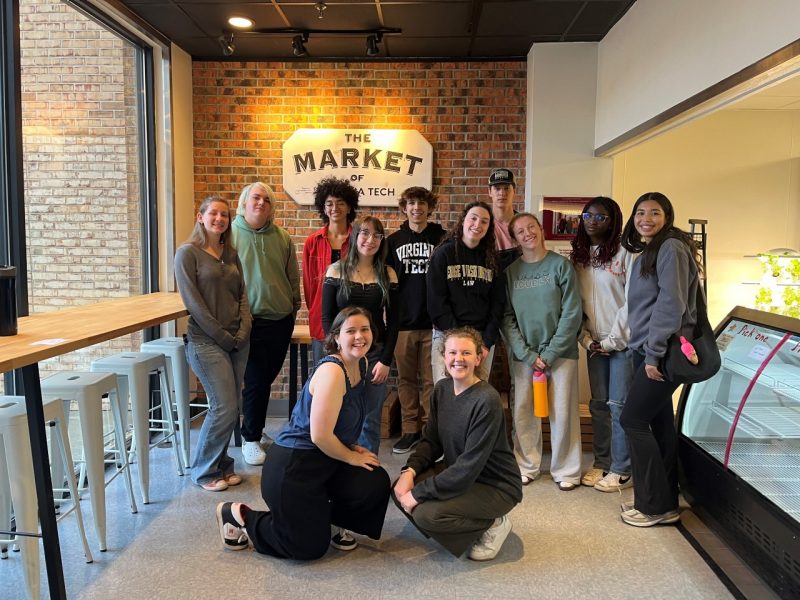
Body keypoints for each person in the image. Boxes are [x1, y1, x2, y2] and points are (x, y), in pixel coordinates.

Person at [215, 306, 391, 557]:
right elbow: (319, 435)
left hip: (324, 462)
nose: (359, 336)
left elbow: (336, 422)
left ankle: (332, 522)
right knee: (307, 547)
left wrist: (350, 448)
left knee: (373, 478)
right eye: (350, 331)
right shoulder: (332, 371)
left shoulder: (360, 363)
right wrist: (351, 456)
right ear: (337, 338)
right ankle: (241, 517)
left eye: (365, 329)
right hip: (294, 467)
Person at [393, 327, 522, 561]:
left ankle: (493, 523)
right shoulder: (441, 390)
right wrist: (409, 470)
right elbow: (431, 441)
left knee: (426, 515)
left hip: (495, 484)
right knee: (399, 489)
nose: (458, 359)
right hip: (459, 472)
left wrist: (420, 493)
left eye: (466, 353)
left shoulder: (487, 400)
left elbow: (467, 468)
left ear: (478, 357)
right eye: (452, 352)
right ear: (443, 356)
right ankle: (466, 523)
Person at [618, 192, 702, 527]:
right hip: (646, 350)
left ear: (667, 216)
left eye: (655, 212)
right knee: (659, 424)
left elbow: (672, 303)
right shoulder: (649, 251)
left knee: (632, 421)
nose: (646, 219)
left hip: (662, 354)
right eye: (640, 212)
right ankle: (665, 504)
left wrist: (653, 353)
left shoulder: (671, 248)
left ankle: (652, 506)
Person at [174, 195, 252, 491]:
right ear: (201, 216)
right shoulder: (188, 253)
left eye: (225, 215)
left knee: (233, 407)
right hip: (206, 341)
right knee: (223, 405)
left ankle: (222, 466)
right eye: (214, 214)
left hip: (238, 340)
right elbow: (194, 303)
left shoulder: (229, 253)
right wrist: (222, 336)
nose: (220, 219)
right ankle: (204, 471)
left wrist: (244, 330)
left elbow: (243, 296)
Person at [502, 212, 583, 490]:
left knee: (563, 411)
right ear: (515, 239)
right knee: (524, 411)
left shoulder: (561, 266)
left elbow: (572, 313)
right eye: (520, 231)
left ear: (540, 229)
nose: (527, 233)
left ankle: (567, 470)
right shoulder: (511, 273)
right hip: (525, 356)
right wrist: (527, 354)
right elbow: (507, 317)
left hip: (561, 355)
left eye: (531, 227)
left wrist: (549, 354)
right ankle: (526, 464)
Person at [230, 182, 301, 466]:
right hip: (250, 322)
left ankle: (255, 432)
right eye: (255, 198)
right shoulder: (231, 235)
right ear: (244, 202)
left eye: (266, 200)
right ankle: (249, 439)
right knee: (257, 380)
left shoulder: (282, 237)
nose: (261, 203)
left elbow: (292, 278)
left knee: (265, 379)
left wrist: (293, 308)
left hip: (280, 320)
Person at [570, 197, 636, 492]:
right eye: (588, 215)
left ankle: (622, 468)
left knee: (618, 405)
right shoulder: (580, 256)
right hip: (594, 343)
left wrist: (613, 341)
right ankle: (602, 462)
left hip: (621, 342)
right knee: (598, 405)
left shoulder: (626, 253)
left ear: (614, 220)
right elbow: (578, 303)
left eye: (601, 216)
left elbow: (631, 302)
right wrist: (586, 339)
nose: (593, 221)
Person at [322, 216, 399, 454]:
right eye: (365, 233)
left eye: (377, 235)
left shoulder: (388, 274)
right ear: (355, 237)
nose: (370, 240)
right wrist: (336, 356)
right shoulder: (336, 270)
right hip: (343, 356)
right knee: (341, 412)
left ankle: (368, 470)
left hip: (375, 354)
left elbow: (395, 321)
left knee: (371, 417)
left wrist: (386, 360)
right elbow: (327, 318)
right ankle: (342, 462)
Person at [386, 187, 446, 454]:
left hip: (434, 323)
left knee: (432, 381)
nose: (416, 208)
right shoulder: (393, 241)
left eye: (421, 203)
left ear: (429, 207)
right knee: (407, 380)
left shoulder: (442, 238)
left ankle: (429, 431)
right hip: (403, 323)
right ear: (404, 207)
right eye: (411, 203)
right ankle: (410, 430)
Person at [426, 201, 505, 383]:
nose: (478, 225)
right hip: (447, 336)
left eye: (484, 221)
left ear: (489, 228)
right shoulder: (443, 254)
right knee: (446, 394)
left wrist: (486, 342)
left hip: (481, 340)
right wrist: (458, 341)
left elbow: (498, 304)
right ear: (463, 221)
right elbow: (436, 303)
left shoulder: (492, 260)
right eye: (474, 218)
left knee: (477, 397)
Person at [303, 176, 360, 365]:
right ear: (323, 207)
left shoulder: (359, 240)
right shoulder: (313, 241)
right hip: (322, 319)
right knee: (324, 371)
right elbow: (309, 284)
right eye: (329, 203)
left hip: (352, 314)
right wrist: (317, 311)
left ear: (350, 207)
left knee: (353, 373)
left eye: (340, 203)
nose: (335, 208)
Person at [487, 168, 521, 271]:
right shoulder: (482, 224)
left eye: (506, 188)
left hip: (520, 282)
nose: (502, 193)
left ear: (514, 191)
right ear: (489, 192)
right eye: (497, 188)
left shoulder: (524, 224)